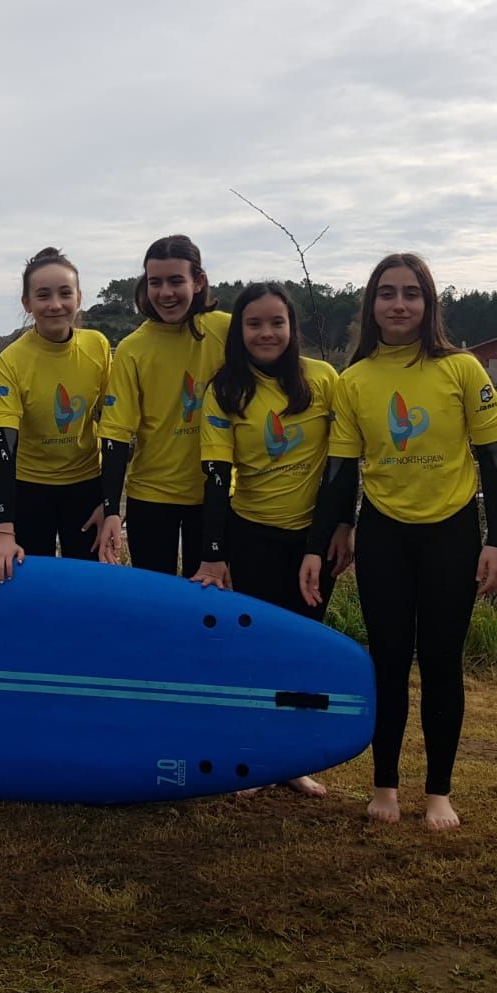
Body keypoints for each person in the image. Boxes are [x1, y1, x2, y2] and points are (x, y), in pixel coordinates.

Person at [299, 253, 497, 829]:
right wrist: (323, 541)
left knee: (442, 662)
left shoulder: (463, 369)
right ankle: (385, 785)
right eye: (387, 293)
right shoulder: (355, 380)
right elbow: (340, 473)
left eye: (411, 293)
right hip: (385, 533)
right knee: (388, 662)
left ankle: (439, 791)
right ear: (371, 305)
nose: (399, 304)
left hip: (452, 532)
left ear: (429, 304)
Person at [194, 282, 349, 797]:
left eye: (276, 323)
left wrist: (331, 534)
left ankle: (292, 759)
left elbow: (340, 468)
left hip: (313, 539)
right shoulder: (224, 389)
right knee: (253, 650)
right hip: (252, 533)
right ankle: (249, 755)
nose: (266, 332)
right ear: (239, 331)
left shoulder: (324, 380)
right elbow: (217, 475)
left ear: (291, 327)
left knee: (304, 650)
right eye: (254, 324)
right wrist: (214, 555)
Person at [96, 235, 229, 576]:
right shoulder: (132, 348)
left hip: (216, 495)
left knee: (211, 603)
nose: (166, 293)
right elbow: (116, 432)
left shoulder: (228, 331)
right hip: (151, 496)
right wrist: (112, 508)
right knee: (156, 604)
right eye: (155, 282)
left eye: (176, 281)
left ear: (198, 281)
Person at [0, 248, 112, 582]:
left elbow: (114, 428)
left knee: (87, 583)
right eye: (43, 295)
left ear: (79, 298)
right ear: (27, 303)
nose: (55, 304)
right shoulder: (11, 361)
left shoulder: (97, 346)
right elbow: (3, 447)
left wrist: (110, 505)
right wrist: (4, 532)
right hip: (30, 489)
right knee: (32, 586)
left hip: (85, 487)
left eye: (65, 293)